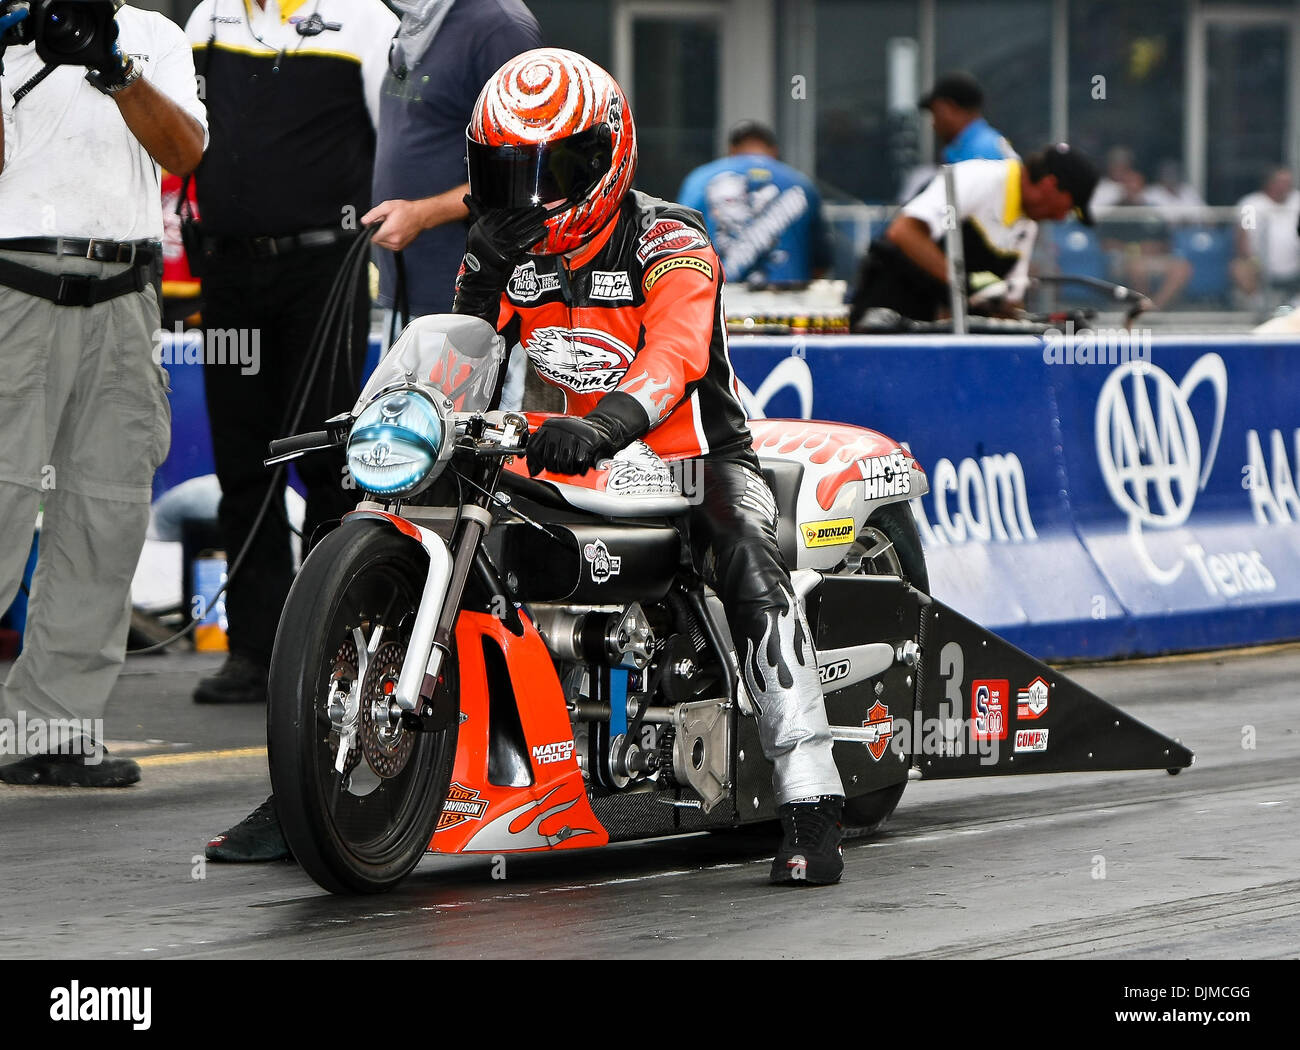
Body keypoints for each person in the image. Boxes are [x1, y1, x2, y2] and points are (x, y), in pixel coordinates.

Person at [455, 48, 846, 885]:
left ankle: (813, 798)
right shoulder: (494, 247)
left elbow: (673, 357)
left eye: (550, 168)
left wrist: (600, 425)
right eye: (507, 170)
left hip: (687, 459)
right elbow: (459, 355)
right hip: (551, 459)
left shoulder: (671, 235)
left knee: (742, 553)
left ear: (605, 158)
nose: (528, 195)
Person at [185, 0, 395, 858]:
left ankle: (328, 638)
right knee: (243, 461)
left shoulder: (361, 20)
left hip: (326, 268)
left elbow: (398, 139)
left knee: (329, 462)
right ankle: (254, 647)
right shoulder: (204, 16)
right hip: (228, 274)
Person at [0, 2, 206, 786]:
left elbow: (185, 152)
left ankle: (49, 732)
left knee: (106, 514)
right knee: (2, 502)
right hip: (14, 286)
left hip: (125, 296)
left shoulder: (155, 35)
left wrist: (114, 66)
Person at [363, 0, 541, 322]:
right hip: (406, 287)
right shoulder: (421, 16)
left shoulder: (501, 27)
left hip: (471, 298)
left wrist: (421, 215)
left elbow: (525, 171)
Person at [850, 143, 1099, 326]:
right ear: (1049, 185)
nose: (1060, 218)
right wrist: (964, 284)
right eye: (1068, 208)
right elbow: (904, 232)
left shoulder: (1027, 226)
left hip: (936, 336)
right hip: (883, 319)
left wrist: (1047, 325)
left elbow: (1007, 303)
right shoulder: (978, 178)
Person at [676, 119, 832, 285]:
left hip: (718, 298)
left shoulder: (700, 179)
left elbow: (680, 246)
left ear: (732, 150)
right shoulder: (801, 183)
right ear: (774, 150)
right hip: (787, 301)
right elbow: (820, 259)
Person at [1231, 166, 1300, 307]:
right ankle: (1260, 307)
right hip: (1260, 264)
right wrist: (1254, 261)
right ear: (1269, 183)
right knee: (1239, 267)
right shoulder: (1250, 204)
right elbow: (1242, 238)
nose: (1287, 186)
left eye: (1288, 182)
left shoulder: (1297, 200)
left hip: (1295, 263)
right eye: (1282, 182)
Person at [920, 71, 1014, 164]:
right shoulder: (986, 144)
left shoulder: (981, 154)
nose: (934, 123)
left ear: (951, 108)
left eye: (936, 113)